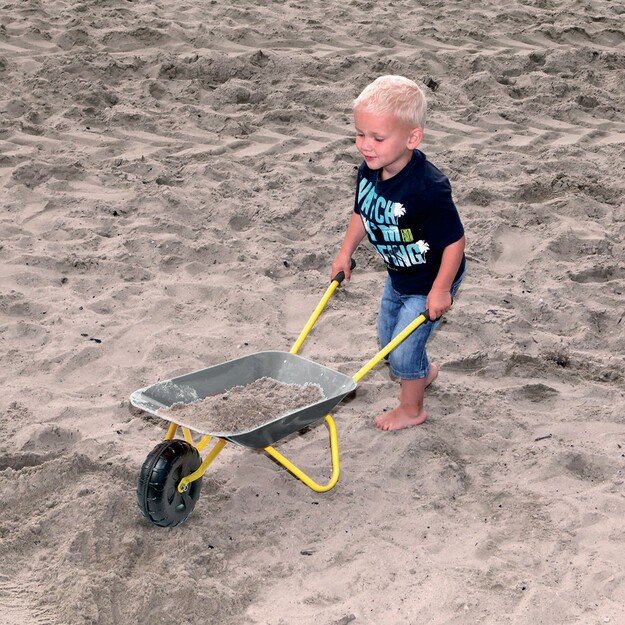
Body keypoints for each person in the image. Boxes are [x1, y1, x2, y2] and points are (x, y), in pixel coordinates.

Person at [331, 75, 466, 431]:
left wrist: (440, 289)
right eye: (360, 134)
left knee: (403, 353)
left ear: (412, 138)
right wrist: (345, 253)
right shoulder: (369, 170)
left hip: (430, 278)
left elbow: (455, 241)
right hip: (399, 275)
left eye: (377, 137)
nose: (365, 145)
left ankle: (412, 409)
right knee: (389, 346)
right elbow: (362, 212)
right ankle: (422, 372)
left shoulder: (428, 188)